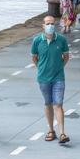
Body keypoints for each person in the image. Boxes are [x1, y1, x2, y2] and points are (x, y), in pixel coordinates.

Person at [31, 15, 71, 144]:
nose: (50, 26)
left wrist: (59, 67)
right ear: (43, 26)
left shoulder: (61, 40)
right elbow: (34, 58)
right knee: (48, 103)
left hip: (59, 77)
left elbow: (66, 57)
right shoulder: (37, 41)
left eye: (52, 23)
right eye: (47, 23)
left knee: (58, 104)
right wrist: (41, 69)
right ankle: (51, 130)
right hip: (43, 78)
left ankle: (62, 133)